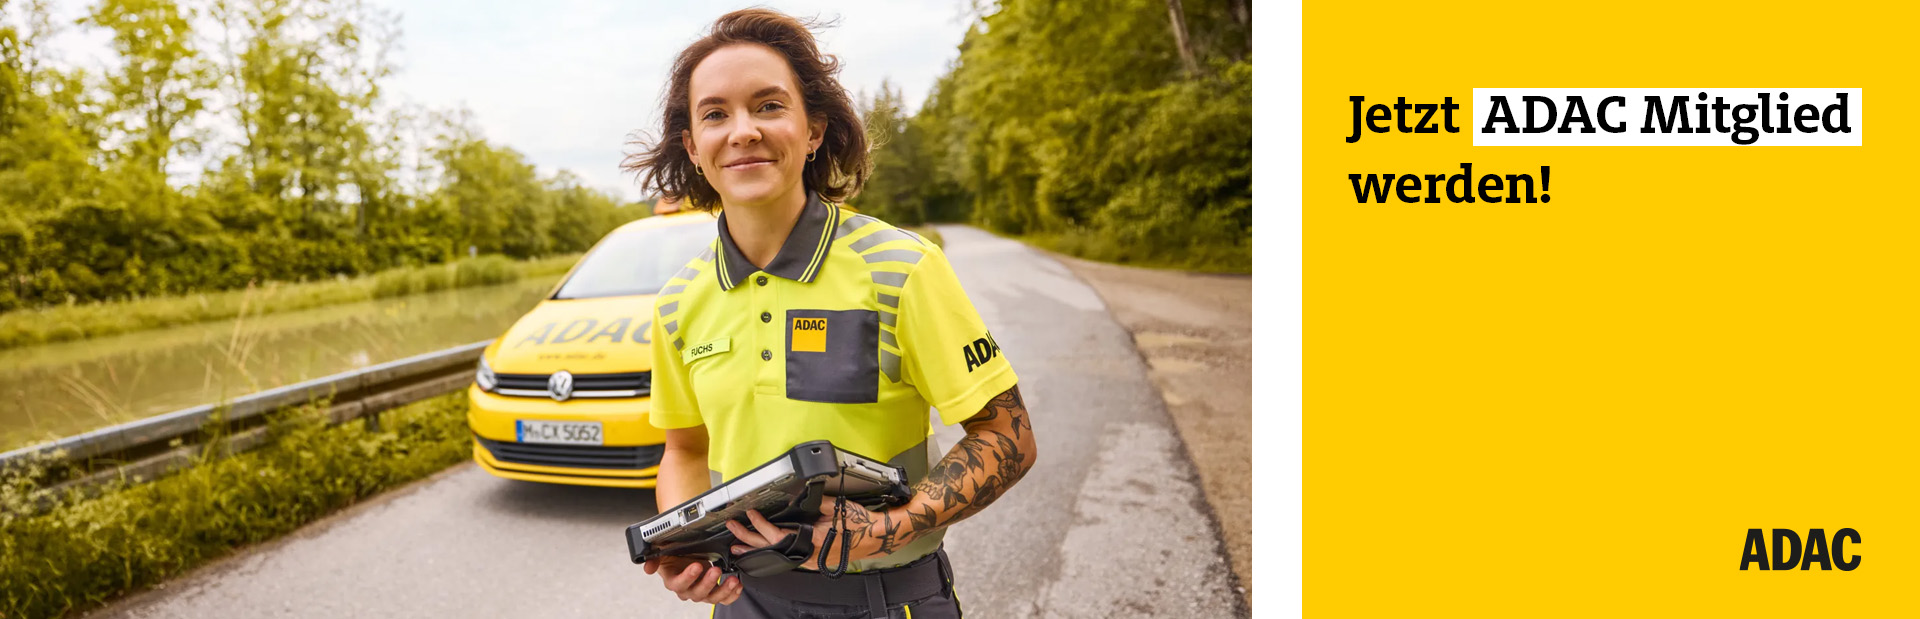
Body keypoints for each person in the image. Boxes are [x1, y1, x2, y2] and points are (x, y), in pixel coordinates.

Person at [624, 9, 1038, 619]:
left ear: (813, 129)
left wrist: (889, 528)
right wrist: (690, 552)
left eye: (769, 106)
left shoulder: (902, 267)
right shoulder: (679, 302)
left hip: (884, 599)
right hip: (744, 604)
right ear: (693, 146)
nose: (742, 131)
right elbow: (685, 450)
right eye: (715, 114)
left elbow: (1009, 436)